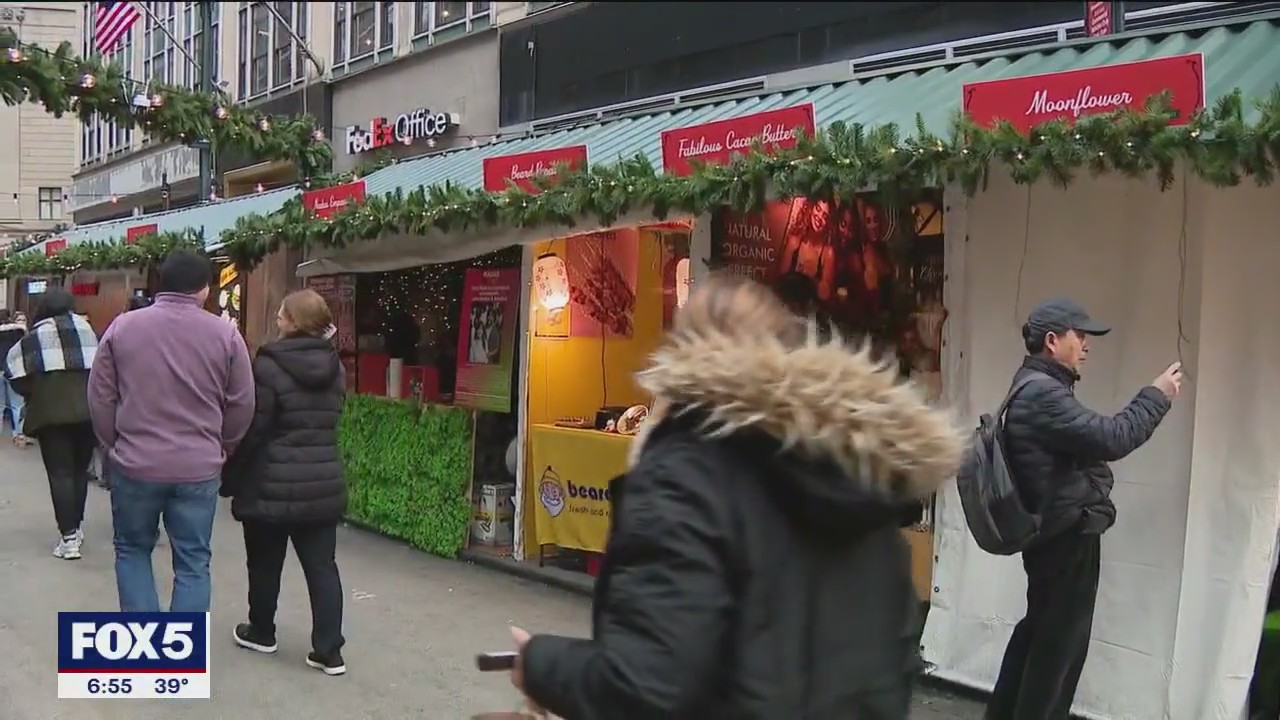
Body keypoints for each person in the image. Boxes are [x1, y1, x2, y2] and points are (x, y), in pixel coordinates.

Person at [507, 273, 965, 719]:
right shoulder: (860, 471)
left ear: (685, 355)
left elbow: (645, 687)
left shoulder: (684, 475)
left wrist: (541, 663)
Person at [986, 298, 1181, 720]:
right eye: (1080, 335)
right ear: (1052, 341)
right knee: (1058, 651)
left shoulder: (1033, 386)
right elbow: (1113, 437)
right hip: (1064, 537)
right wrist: (1156, 396)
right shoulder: (1043, 394)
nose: (1087, 344)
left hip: (1051, 533)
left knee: (1038, 636)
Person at [88, 250, 255, 612]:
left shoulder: (123, 327)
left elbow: (100, 395)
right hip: (198, 464)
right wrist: (223, 446)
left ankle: (147, 653)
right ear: (204, 289)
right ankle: (183, 655)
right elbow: (242, 401)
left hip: (135, 462)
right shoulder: (225, 334)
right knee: (193, 562)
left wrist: (114, 444)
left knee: (132, 551)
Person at [223, 289, 348, 676]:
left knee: (263, 563)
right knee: (322, 567)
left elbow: (255, 428)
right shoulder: (335, 366)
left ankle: (261, 630)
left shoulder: (268, 365)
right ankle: (329, 651)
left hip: (269, 480)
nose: (276, 320)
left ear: (293, 323)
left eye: (280, 316)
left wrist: (231, 474)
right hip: (323, 479)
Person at [3, 290, 98, 559]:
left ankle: (68, 538)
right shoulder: (87, 330)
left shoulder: (33, 338)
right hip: (88, 413)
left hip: (50, 416)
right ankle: (76, 528)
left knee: (60, 474)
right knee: (80, 472)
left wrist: (36, 391)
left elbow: (15, 373)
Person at [0, 309, 30, 447]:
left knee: (0, 405)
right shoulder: (20, 331)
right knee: (16, 405)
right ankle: (18, 435)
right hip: (14, 371)